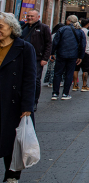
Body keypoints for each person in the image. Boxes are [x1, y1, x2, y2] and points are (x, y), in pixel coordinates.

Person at [0, 12, 36, 183]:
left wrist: (27, 107)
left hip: (14, 103)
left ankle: (12, 176)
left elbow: (30, 79)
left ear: (11, 28)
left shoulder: (24, 48)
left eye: (1, 27)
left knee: (12, 142)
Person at [20, 9, 51, 112]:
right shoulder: (23, 27)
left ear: (38, 17)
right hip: (22, 58)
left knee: (35, 80)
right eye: (28, 16)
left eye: (32, 16)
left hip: (37, 58)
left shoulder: (43, 28)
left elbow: (48, 44)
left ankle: (34, 102)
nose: (29, 18)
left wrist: (45, 58)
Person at [51, 15, 85, 100]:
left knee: (58, 73)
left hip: (61, 54)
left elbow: (55, 42)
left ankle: (55, 93)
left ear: (69, 20)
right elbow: (83, 45)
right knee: (69, 74)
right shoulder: (80, 31)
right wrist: (80, 56)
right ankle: (65, 93)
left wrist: (52, 53)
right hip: (73, 55)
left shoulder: (62, 29)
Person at [74, 19, 89, 92]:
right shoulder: (88, 32)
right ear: (87, 24)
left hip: (77, 52)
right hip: (86, 51)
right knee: (85, 70)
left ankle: (75, 85)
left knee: (76, 69)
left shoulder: (78, 31)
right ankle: (84, 85)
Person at [44, 23, 64, 87]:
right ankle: (54, 82)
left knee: (51, 68)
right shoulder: (58, 35)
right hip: (56, 53)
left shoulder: (52, 35)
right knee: (57, 68)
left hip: (53, 52)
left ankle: (50, 82)